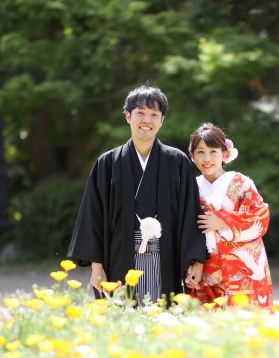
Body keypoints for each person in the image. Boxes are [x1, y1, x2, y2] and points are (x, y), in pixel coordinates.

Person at [67, 84, 207, 304]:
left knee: (162, 316)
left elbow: (190, 213)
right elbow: (93, 216)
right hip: (120, 256)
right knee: (124, 317)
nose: (147, 120)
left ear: (162, 120)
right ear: (128, 117)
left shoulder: (177, 161)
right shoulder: (108, 163)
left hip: (165, 257)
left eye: (154, 115)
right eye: (140, 113)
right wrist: (97, 266)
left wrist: (196, 261)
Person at [188, 123, 274, 310]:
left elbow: (260, 218)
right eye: (200, 152)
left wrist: (223, 221)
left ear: (224, 154)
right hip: (205, 267)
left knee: (248, 321)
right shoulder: (191, 188)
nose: (207, 158)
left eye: (213, 151)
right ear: (192, 155)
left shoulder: (241, 183)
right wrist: (193, 262)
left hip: (244, 268)